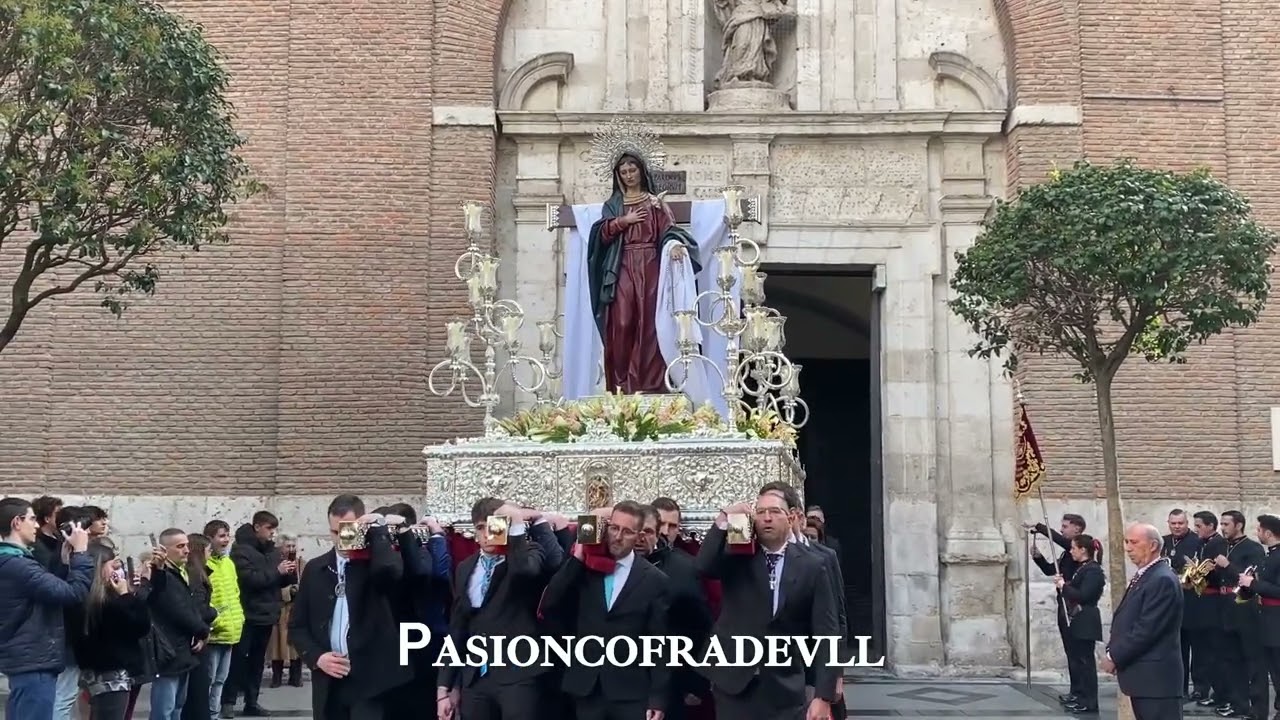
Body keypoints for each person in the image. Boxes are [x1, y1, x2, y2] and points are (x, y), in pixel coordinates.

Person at [696, 490, 839, 720]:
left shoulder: (813, 565)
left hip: (784, 685)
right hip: (734, 682)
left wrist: (823, 695)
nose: (767, 518)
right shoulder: (739, 551)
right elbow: (704, 566)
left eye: (774, 512)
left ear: (791, 518)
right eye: (760, 512)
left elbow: (827, 632)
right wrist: (725, 517)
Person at [542, 502, 670, 720]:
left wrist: (657, 697)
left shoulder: (655, 580)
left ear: (638, 536)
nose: (618, 536)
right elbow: (550, 602)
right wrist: (579, 557)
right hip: (587, 687)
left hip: (631, 691)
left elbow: (659, 643)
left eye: (627, 531)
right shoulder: (584, 570)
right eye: (614, 528)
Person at [586, 151, 700, 394]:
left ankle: (651, 385)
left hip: (650, 265)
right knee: (623, 322)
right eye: (623, 172)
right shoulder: (613, 205)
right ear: (618, 176)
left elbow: (669, 231)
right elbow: (601, 235)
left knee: (649, 322)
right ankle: (622, 385)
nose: (628, 176)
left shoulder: (655, 203)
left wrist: (675, 245)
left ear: (641, 171)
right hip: (622, 265)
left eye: (632, 170)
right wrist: (623, 221)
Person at [288, 495, 410, 719]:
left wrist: (377, 530)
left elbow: (392, 573)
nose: (342, 538)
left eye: (348, 529)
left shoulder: (374, 564)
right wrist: (317, 657)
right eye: (335, 532)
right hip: (329, 679)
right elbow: (297, 626)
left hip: (369, 681)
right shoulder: (316, 569)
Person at [436, 498, 548, 720]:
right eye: (480, 528)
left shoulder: (527, 554)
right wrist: (444, 687)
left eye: (493, 525)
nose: (487, 533)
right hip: (476, 678)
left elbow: (525, 572)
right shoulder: (465, 567)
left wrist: (515, 522)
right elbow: (458, 627)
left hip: (517, 675)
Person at [0, 497, 93, 720]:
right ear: (16, 522)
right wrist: (81, 553)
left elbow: (50, 592)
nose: (36, 525)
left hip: (28, 658)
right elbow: (73, 594)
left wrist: (63, 560)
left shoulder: (16, 562)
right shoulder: (17, 564)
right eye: (32, 519)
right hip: (32, 659)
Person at [1102, 523, 1184, 720]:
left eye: (1134, 542)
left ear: (1153, 545)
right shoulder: (1147, 575)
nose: (1128, 548)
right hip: (1144, 678)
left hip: (1156, 680)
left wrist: (1114, 656)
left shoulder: (1161, 579)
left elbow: (1147, 629)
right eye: (1126, 542)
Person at [66, 543, 153, 720]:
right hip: (113, 674)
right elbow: (140, 625)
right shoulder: (108, 603)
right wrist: (126, 596)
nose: (119, 571)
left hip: (92, 673)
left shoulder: (81, 597)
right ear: (101, 567)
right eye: (114, 566)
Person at [1054, 534, 1105, 714]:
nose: (1071, 551)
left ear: (1083, 550)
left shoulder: (1093, 570)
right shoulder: (1082, 568)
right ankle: (1081, 697)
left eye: (1074, 548)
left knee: (1086, 664)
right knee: (1078, 661)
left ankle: (1089, 702)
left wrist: (1063, 586)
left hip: (1086, 619)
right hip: (1076, 620)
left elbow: (1084, 595)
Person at [1237, 514, 1280, 719]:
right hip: (1264, 620)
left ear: (1269, 533)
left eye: (1260, 530)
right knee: (1265, 668)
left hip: (1276, 620)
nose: (1257, 533)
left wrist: (1252, 584)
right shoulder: (1269, 555)